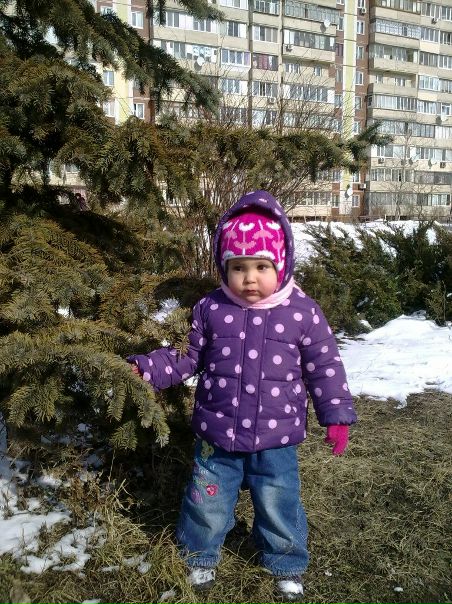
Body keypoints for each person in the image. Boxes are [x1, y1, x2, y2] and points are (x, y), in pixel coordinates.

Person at [127, 190, 357, 601]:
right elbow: (186, 356)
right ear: (224, 266)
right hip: (218, 433)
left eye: (261, 266)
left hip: (276, 436)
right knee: (207, 499)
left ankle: (285, 561)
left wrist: (336, 414)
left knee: (279, 501)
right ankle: (199, 554)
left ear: (282, 264)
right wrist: (148, 368)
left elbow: (325, 366)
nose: (250, 278)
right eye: (238, 267)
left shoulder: (302, 312)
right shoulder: (212, 309)